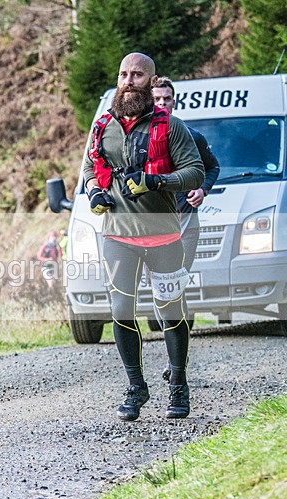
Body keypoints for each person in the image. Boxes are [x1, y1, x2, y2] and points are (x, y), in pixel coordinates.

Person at [81, 52, 204, 421]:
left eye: (136, 75)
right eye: (123, 74)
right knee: (121, 310)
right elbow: (90, 167)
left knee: (171, 311)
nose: (128, 81)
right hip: (117, 237)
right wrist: (94, 191)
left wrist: (157, 180)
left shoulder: (171, 127)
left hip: (164, 237)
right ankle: (136, 387)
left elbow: (195, 172)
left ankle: (178, 384)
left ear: (151, 82)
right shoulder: (103, 126)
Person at [152, 77, 220, 271]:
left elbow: (213, 167)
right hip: (151, 225)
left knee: (179, 279)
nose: (162, 103)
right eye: (157, 99)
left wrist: (202, 189)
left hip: (186, 223)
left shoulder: (194, 137)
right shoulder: (139, 139)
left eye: (167, 99)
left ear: (174, 102)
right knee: (153, 282)